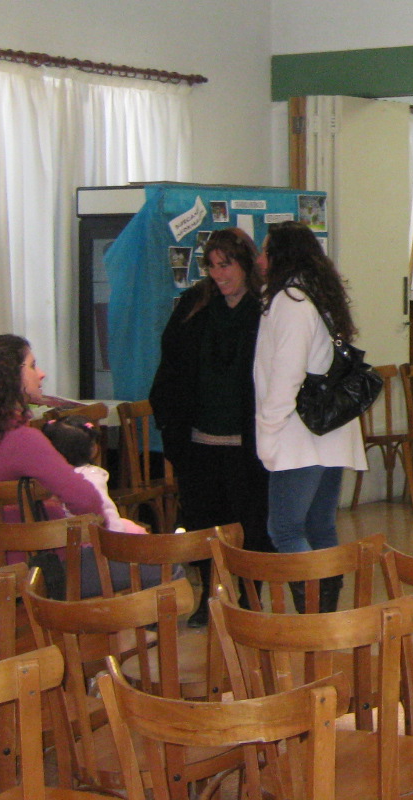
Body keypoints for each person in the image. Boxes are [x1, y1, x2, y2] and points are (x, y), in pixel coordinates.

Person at [149, 226, 272, 622]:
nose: (219, 275)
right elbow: (171, 368)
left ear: (245, 264)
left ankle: (250, 599)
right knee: (203, 524)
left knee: (252, 526)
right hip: (199, 440)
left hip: (248, 443)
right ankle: (208, 596)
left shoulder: (265, 308)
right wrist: (170, 423)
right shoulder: (195, 304)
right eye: (213, 266)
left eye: (226, 265)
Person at [254, 221, 367, 609]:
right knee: (319, 526)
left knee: (285, 529)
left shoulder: (291, 301)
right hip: (329, 430)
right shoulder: (318, 295)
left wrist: (268, 432)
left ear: (282, 257)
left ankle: (313, 616)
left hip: (298, 434)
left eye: (266, 251)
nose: (260, 260)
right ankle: (326, 616)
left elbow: (286, 374)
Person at [0, 334, 106, 520]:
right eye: (32, 366)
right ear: (11, 375)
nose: (41, 373)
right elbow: (87, 501)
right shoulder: (22, 439)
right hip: (37, 538)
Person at [40, 417, 148, 534]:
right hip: (88, 536)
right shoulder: (91, 477)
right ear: (92, 448)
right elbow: (107, 513)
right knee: (136, 531)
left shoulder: (41, 476)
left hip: (51, 535)